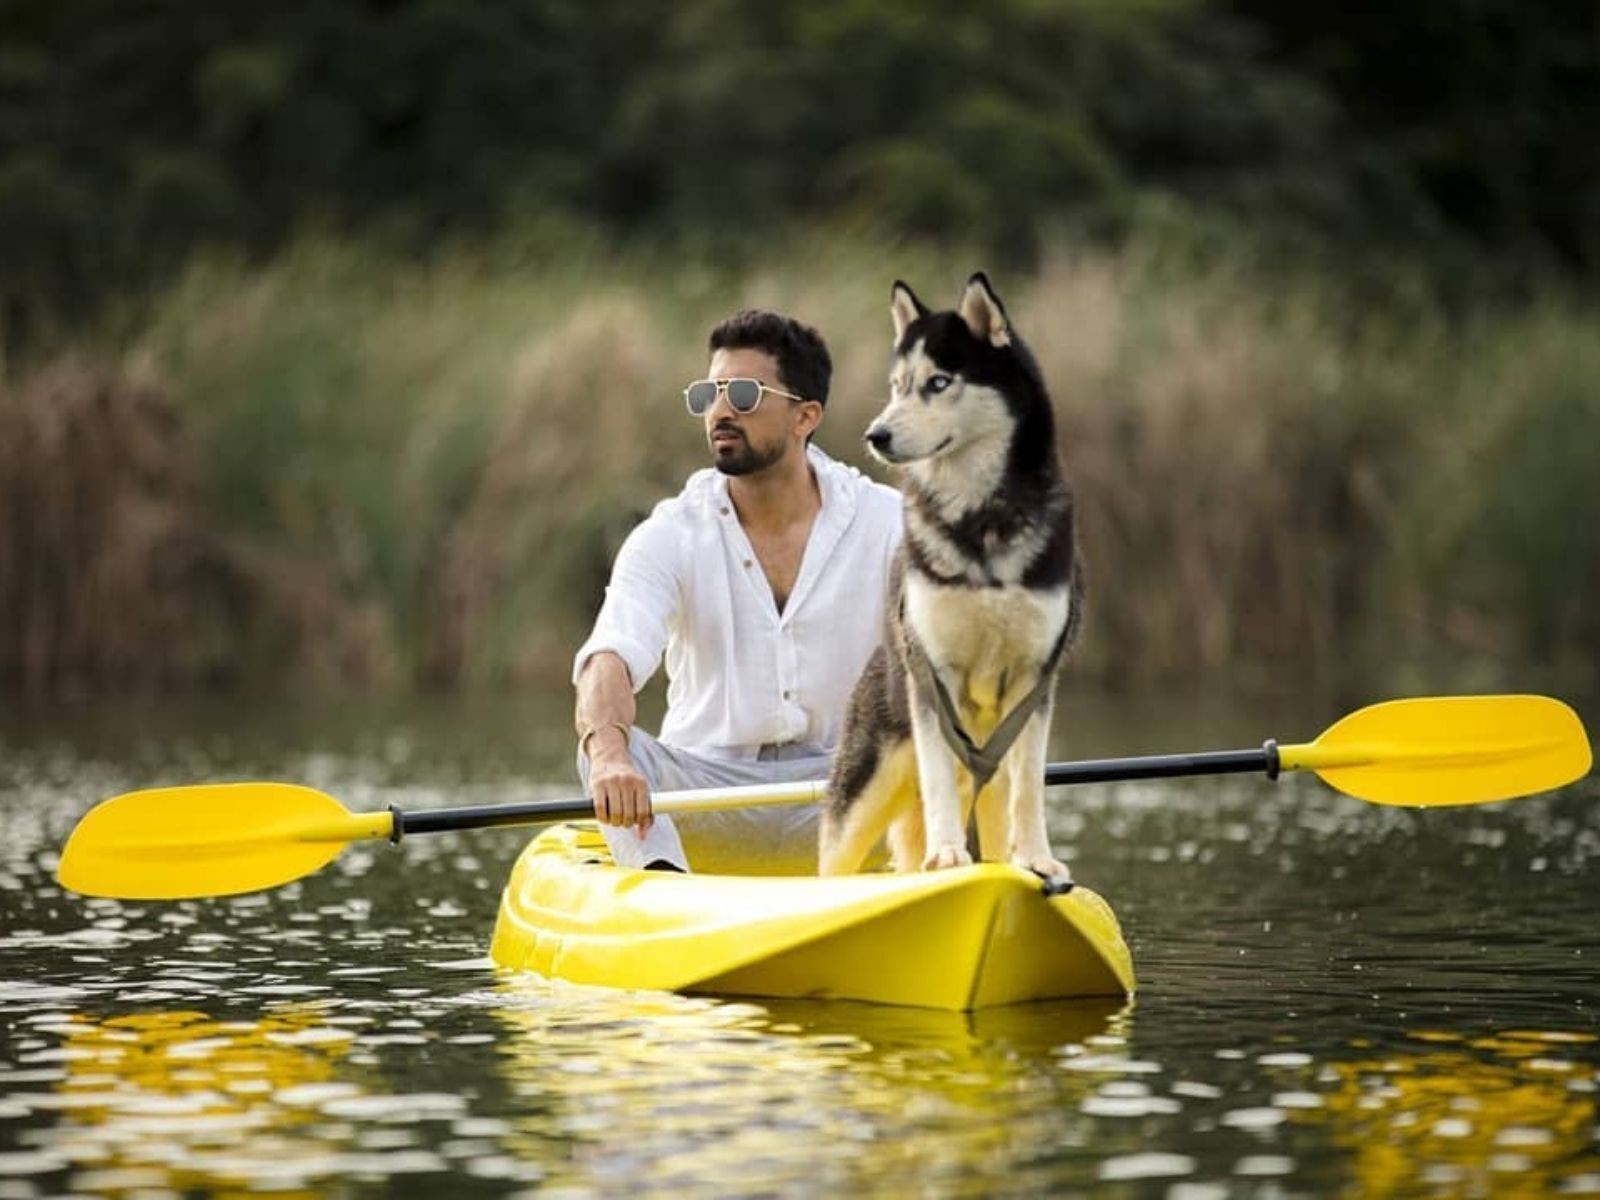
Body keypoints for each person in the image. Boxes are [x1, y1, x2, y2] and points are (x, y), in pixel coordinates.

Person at [572, 309, 903, 873]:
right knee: (611, 747)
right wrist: (609, 759)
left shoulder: (892, 523)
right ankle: (664, 897)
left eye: (745, 394)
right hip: (707, 797)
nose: (721, 411)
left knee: (939, 750)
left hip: (843, 792)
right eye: (710, 394)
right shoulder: (668, 534)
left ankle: (945, 892)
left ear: (805, 416)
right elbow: (610, 658)